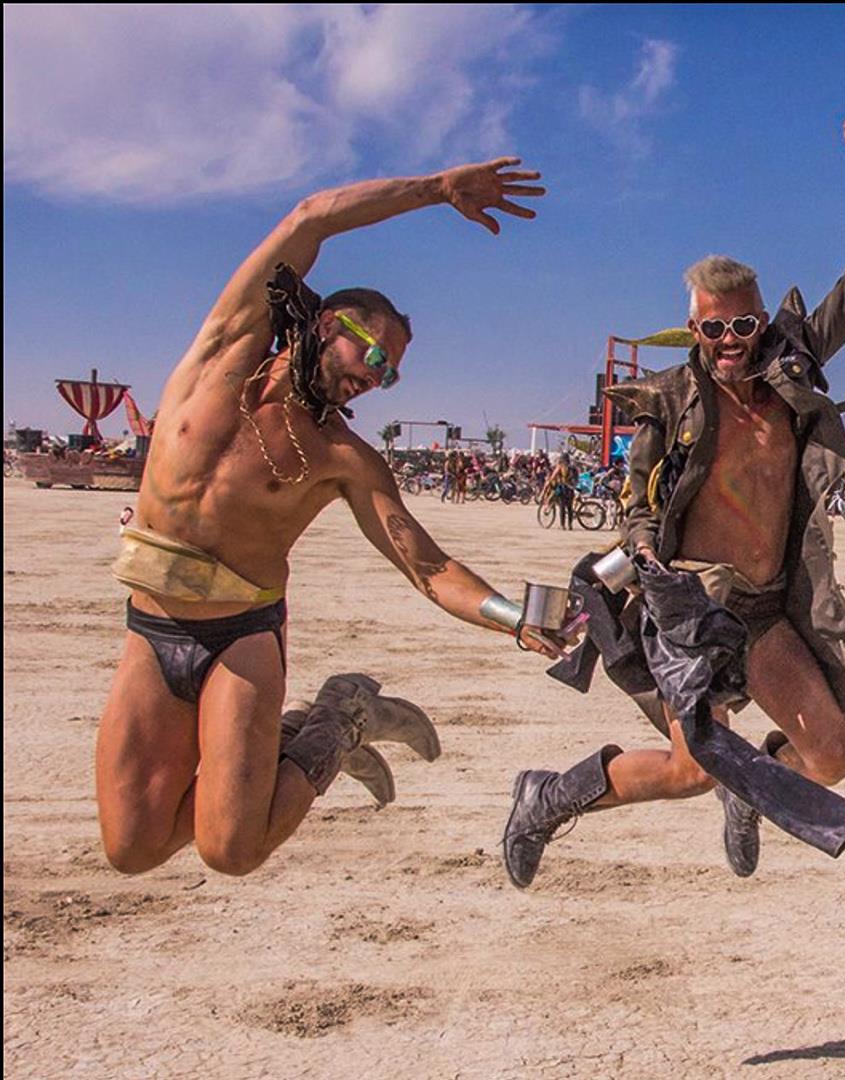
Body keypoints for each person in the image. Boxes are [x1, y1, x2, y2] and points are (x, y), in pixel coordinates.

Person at [98, 158, 565, 878]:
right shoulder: (220, 357)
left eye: (390, 373)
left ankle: (339, 723)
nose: (376, 377)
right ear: (325, 323)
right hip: (152, 624)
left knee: (232, 849)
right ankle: (304, 740)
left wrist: (514, 619)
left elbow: (429, 566)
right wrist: (436, 190)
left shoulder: (342, 456)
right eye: (373, 353)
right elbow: (310, 217)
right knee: (132, 847)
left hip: (240, 640)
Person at [501, 107, 845, 887]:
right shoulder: (671, 400)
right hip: (693, 610)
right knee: (691, 771)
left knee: (830, 758)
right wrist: (645, 551)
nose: (729, 341)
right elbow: (638, 504)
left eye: (743, 324)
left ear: (760, 318)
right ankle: (546, 797)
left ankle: (751, 790)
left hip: (768, 609)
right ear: (693, 329)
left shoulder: (792, 365)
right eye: (713, 330)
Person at [544, 452, 578, 531]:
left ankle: (562, 525)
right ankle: (570, 525)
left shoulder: (561, 466)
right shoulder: (573, 467)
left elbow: (553, 476)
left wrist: (549, 482)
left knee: (562, 507)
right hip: (571, 489)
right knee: (569, 507)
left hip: (563, 488)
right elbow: (577, 478)